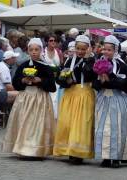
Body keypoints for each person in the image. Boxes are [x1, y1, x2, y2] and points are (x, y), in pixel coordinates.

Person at [2, 38, 56, 159]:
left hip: (40, 98)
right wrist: (23, 80)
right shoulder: (23, 65)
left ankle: (36, 149)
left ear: (41, 50)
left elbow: (52, 86)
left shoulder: (46, 67)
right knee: (24, 122)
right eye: (31, 50)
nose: (34, 52)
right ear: (28, 51)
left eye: (36, 49)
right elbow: (15, 82)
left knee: (37, 124)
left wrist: (40, 80)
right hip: (25, 98)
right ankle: (23, 148)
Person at [93, 35, 127, 168]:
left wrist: (110, 77)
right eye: (105, 49)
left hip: (118, 100)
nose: (106, 52)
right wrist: (100, 82)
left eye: (109, 50)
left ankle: (117, 157)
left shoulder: (122, 65)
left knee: (118, 128)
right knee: (103, 129)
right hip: (103, 99)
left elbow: (124, 84)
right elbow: (95, 85)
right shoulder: (98, 64)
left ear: (115, 51)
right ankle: (106, 157)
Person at [53, 35, 96, 164]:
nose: (80, 51)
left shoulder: (92, 61)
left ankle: (78, 153)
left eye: (83, 49)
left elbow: (90, 74)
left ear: (88, 49)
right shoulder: (68, 60)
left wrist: (87, 59)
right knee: (67, 122)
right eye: (78, 48)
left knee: (81, 123)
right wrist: (66, 80)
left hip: (84, 93)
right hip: (69, 93)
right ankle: (67, 149)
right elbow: (60, 78)